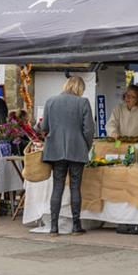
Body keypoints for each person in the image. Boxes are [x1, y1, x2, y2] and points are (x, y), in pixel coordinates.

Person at [40, 76, 95, 236]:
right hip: (77, 149)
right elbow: (89, 130)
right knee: (75, 187)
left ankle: (53, 227)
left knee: (57, 186)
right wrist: (86, 146)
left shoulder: (51, 101)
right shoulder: (83, 103)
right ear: (80, 88)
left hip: (55, 150)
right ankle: (76, 226)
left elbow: (45, 127)